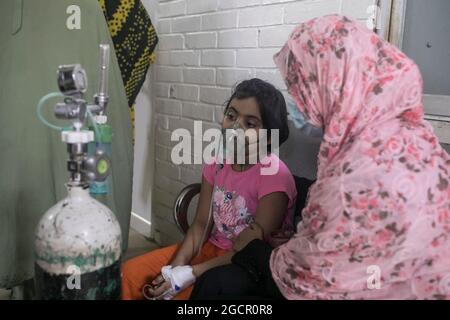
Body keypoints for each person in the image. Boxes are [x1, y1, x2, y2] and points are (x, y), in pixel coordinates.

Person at [192, 14, 450, 300]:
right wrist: (296, 241)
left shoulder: (354, 174)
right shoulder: (408, 138)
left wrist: (256, 248)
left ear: (335, 86)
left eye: (304, 89)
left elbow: (314, 278)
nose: (299, 102)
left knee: (217, 286)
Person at [121, 78, 297, 300]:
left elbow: (252, 250)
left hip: (241, 264)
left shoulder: (274, 176)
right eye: (231, 116)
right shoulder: (216, 164)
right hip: (211, 248)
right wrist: (173, 270)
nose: (235, 126)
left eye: (250, 124)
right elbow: (201, 225)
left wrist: (191, 273)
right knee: (130, 274)